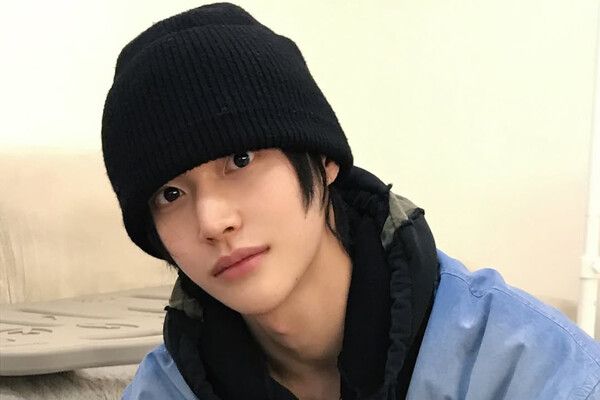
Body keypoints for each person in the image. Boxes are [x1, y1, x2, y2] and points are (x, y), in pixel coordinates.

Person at [101, 3, 600, 399]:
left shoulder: (528, 370)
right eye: (170, 194)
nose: (212, 221)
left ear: (324, 160)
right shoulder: (165, 390)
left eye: (241, 159)